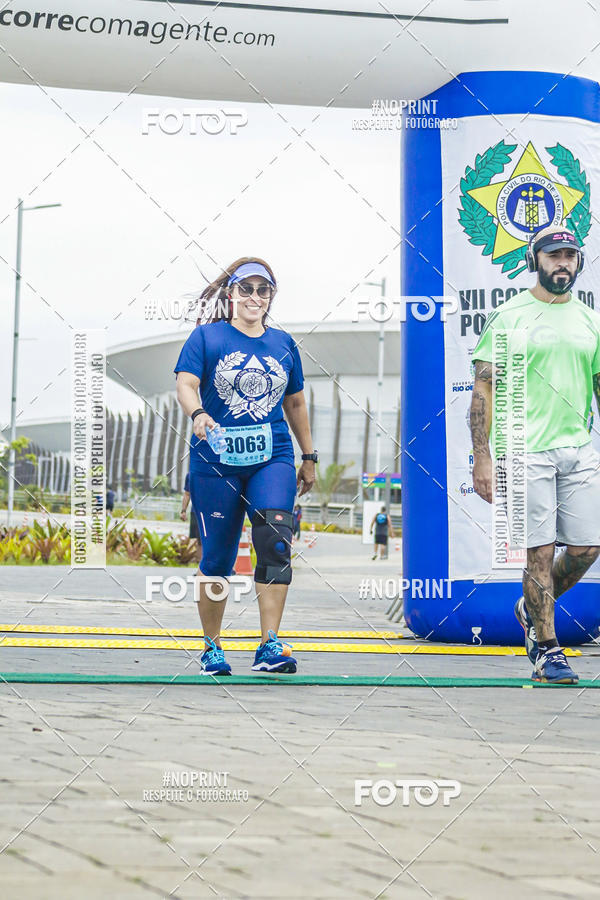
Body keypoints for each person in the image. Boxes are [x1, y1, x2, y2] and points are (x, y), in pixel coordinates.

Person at [174, 257, 318, 675]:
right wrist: (198, 413)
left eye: (263, 290)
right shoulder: (206, 337)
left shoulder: (283, 343)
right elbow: (185, 383)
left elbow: (295, 402)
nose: (255, 296)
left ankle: (269, 645)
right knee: (217, 558)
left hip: (271, 455)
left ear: (271, 296)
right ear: (231, 294)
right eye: (247, 288)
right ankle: (212, 647)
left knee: (275, 543)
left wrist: (308, 456)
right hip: (215, 459)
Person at [470, 224, 600, 684]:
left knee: (586, 548)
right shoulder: (510, 316)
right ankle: (548, 649)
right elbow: (484, 385)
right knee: (539, 554)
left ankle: (530, 607)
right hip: (523, 451)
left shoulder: (589, 319)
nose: (562, 263)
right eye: (553, 255)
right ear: (535, 260)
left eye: (570, 255)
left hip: (578, 450)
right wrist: (481, 456)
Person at [180, 471, 202, 564]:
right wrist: (183, 510)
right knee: (200, 540)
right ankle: (201, 569)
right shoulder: (191, 474)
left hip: (214, 511)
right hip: (196, 512)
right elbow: (187, 493)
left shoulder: (215, 472)